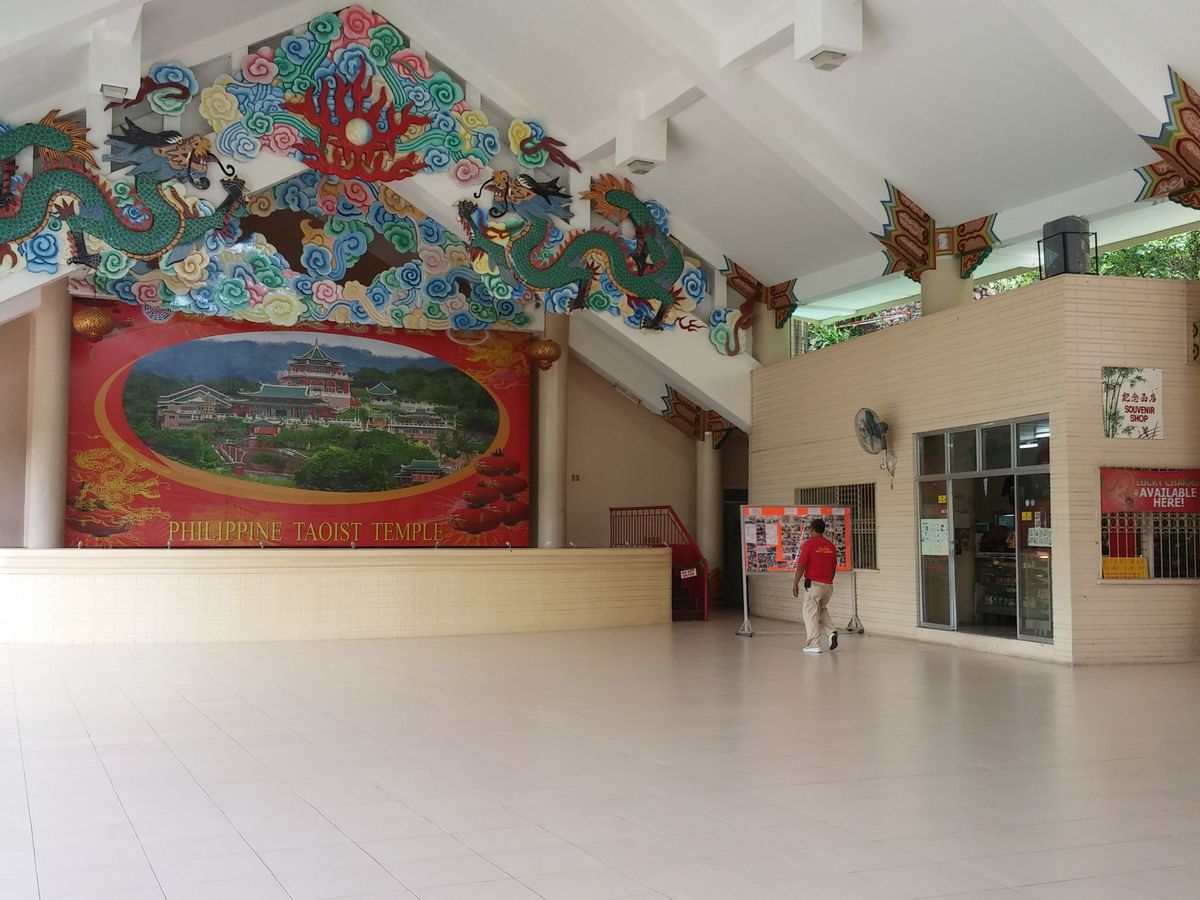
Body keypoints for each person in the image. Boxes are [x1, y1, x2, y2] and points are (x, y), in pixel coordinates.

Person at [791, 518, 838, 653]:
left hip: (814, 585)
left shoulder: (809, 544)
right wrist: (828, 581)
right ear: (823, 530)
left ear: (811, 529)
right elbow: (833, 567)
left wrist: (795, 583)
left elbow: (801, 565)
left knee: (810, 613)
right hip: (827, 586)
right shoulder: (830, 546)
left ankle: (814, 644)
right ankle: (832, 632)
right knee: (820, 609)